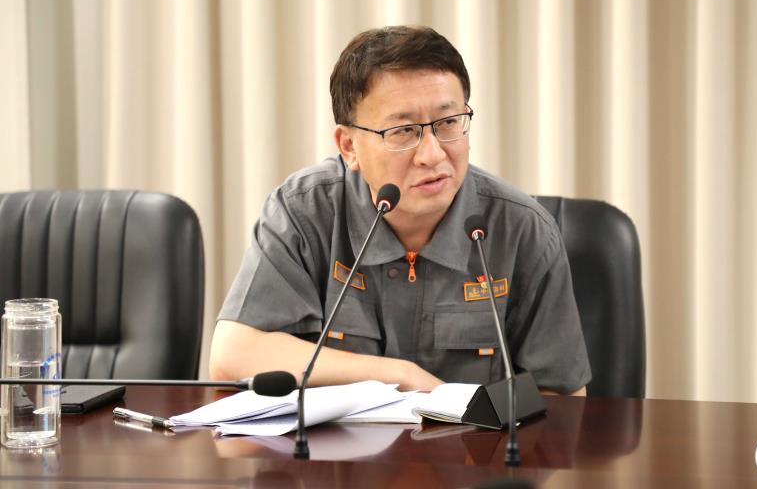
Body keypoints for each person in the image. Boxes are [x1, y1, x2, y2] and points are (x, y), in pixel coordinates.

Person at [210, 25, 590, 395]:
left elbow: (562, 397)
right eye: (403, 131)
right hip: (336, 441)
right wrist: (397, 375)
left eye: (448, 123)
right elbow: (233, 355)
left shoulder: (522, 230)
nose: (432, 155)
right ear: (349, 146)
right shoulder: (304, 211)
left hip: (475, 441)